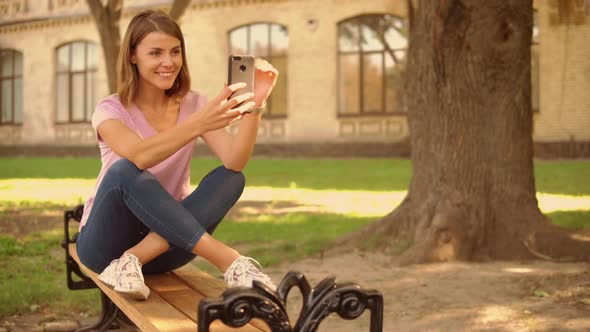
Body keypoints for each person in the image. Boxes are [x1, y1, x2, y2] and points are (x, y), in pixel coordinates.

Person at [76, 9, 278, 301]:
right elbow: (140, 156)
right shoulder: (110, 110)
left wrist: (255, 105)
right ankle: (231, 262)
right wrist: (198, 123)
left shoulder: (194, 104)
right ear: (133, 56)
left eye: (175, 51)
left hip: (167, 246)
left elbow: (234, 160)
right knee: (124, 170)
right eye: (155, 53)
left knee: (230, 178)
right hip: (103, 247)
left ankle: (132, 258)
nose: (168, 62)